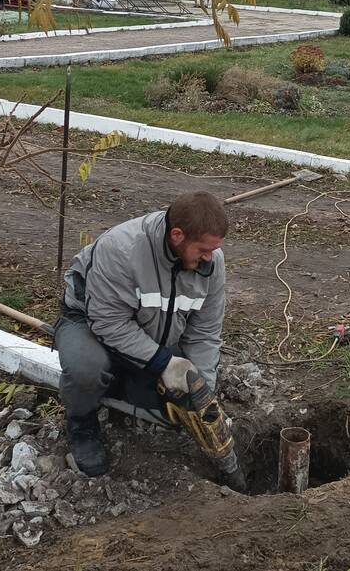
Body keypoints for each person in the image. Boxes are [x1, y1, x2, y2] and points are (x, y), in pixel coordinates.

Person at [55, 191, 228, 476]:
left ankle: (122, 384)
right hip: (90, 323)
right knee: (86, 368)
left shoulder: (212, 261)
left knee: (178, 409)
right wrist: (164, 363)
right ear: (177, 235)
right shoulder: (122, 250)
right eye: (203, 250)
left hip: (153, 333)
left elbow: (205, 332)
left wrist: (202, 393)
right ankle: (82, 424)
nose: (210, 258)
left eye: (215, 250)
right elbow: (108, 323)